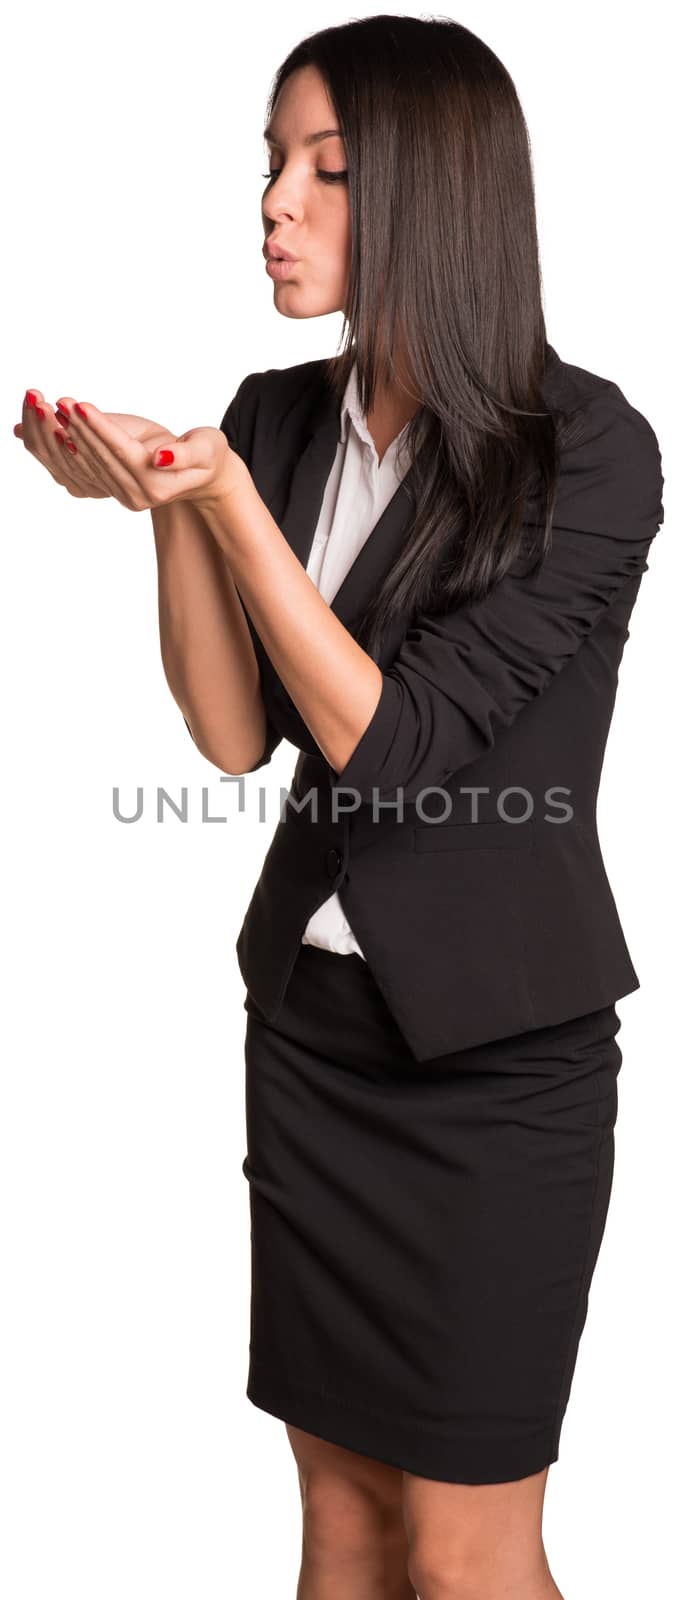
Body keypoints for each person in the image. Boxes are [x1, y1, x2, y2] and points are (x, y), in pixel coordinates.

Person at [15, 16, 664, 1599]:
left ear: (436, 193)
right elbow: (237, 740)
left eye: (327, 171)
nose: (274, 206)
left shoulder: (583, 447)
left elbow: (395, 745)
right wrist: (172, 511)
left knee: (464, 1549)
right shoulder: (281, 415)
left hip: (494, 1069)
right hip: (310, 1039)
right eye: (269, 165)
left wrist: (223, 498)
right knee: (342, 1529)